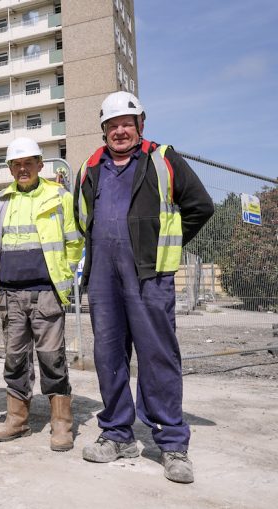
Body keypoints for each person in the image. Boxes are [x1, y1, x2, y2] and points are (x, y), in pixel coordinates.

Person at [74, 91, 214, 483]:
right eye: (112, 125)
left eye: (126, 124)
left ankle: (171, 444)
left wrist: (161, 244)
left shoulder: (162, 159)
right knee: (108, 356)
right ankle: (118, 435)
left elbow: (201, 206)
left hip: (149, 274)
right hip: (103, 275)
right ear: (104, 129)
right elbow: (80, 218)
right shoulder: (91, 167)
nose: (119, 131)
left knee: (157, 356)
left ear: (140, 125)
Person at [0, 138, 83, 451]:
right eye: (16, 164)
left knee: (51, 357)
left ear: (41, 164)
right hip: (10, 294)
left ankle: (61, 424)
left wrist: (65, 278)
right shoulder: (0, 201)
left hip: (46, 292)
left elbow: (74, 241)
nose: (23, 168)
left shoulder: (59, 196)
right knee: (15, 359)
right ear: (10, 168)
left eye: (29, 162)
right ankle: (18, 420)